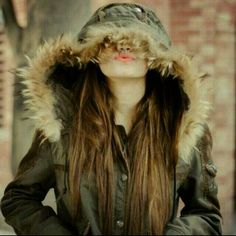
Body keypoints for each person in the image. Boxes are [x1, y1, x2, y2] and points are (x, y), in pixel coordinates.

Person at [1, 3, 222, 235]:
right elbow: (18, 199)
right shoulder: (63, 125)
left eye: (139, 42)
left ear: (156, 57)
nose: (124, 46)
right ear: (93, 53)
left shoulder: (182, 127)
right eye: (108, 40)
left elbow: (206, 215)